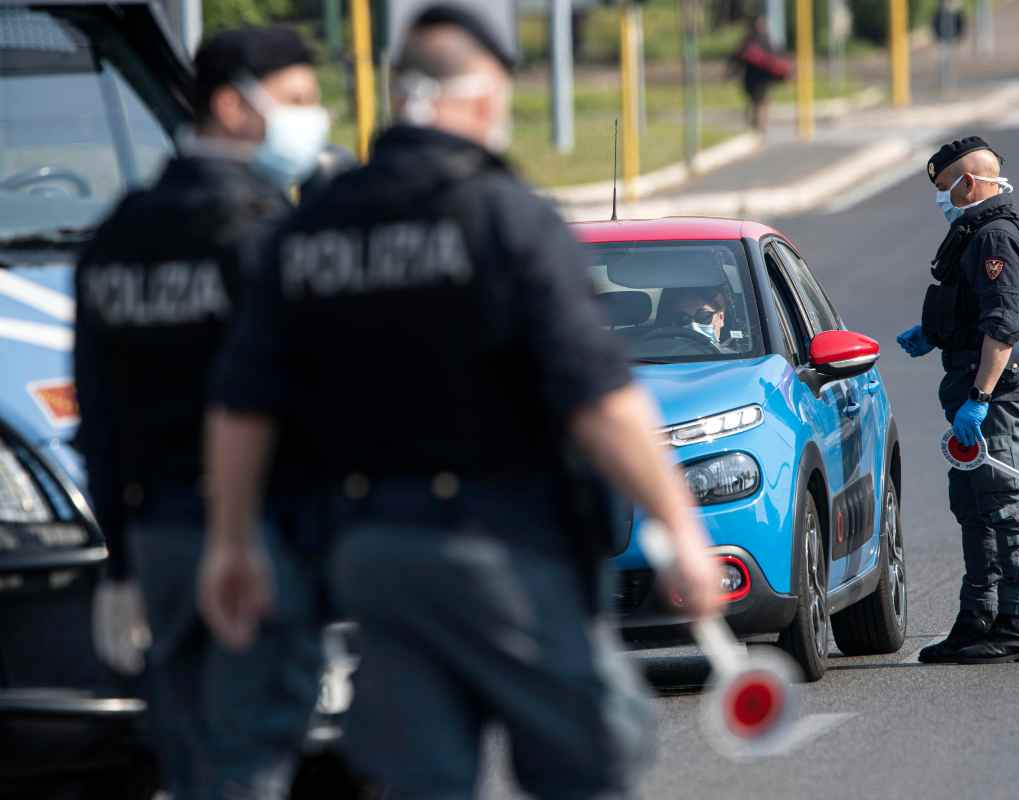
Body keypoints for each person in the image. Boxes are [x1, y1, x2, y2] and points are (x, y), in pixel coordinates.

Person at [198, 5, 723, 798]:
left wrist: (231, 542)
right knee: (593, 754)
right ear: (476, 99)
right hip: (500, 547)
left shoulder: (309, 230)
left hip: (370, 552)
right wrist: (680, 526)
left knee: (420, 779)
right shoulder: (503, 216)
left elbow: (242, 408)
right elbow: (600, 399)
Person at [77, 26, 330, 799]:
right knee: (254, 750)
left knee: (187, 754)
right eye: (295, 103)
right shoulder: (263, 233)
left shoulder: (118, 234)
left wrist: (119, 560)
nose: (310, 123)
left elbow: (101, 407)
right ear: (230, 106)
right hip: (254, 537)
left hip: (157, 536)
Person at [896, 136, 1019, 665]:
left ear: (971, 183)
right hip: (970, 382)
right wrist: (933, 332)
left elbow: (1003, 326)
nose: (942, 199)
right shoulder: (977, 233)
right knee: (974, 505)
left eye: (945, 189)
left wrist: (979, 398)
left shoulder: (994, 237)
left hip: (993, 392)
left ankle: (1018, 621)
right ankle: (977, 618)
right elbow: (972, 307)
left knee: (1002, 502)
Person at [728, 15, 789, 132]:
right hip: (754, 78)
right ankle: (757, 125)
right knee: (758, 102)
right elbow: (738, 58)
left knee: (761, 102)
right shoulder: (753, 40)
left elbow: (776, 58)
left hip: (761, 78)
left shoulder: (756, 40)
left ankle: (759, 125)